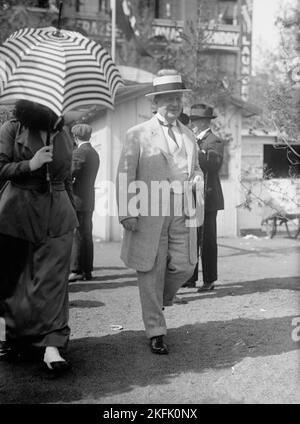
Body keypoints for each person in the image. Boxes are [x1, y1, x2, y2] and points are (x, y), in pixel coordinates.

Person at [116, 70, 204, 354]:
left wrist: (198, 181)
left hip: (183, 209)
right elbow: (125, 174)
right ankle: (156, 330)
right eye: (167, 99)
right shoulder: (137, 134)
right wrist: (127, 211)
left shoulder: (189, 135)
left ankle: (159, 298)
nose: (173, 104)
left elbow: (198, 169)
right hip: (149, 210)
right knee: (150, 268)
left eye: (177, 98)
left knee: (186, 264)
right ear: (155, 103)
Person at [0, 100, 78, 374]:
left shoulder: (64, 132)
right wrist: (30, 164)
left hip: (58, 215)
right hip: (17, 213)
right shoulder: (11, 128)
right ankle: (17, 338)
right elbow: (1, 168)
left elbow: (67, 177)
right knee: (19, 282)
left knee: (54, 282)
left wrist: (72, 210)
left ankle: (52, 347)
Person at [183, 103, 224, 291]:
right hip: (194, 197)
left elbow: (213, 164)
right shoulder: (194, 139)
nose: (192, 124)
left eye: (195, 120)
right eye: (192, 120)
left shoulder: (214, 141)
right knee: (192, 239)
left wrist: (196, 151)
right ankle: (190, 279)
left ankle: (209, 280)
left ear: (205, 121)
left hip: (208, 199)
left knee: (207, 241)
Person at [68, 124, 100, 282]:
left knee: (78, 234)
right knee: (86, 235)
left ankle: (76, 269)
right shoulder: (93, 152)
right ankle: (87, 270)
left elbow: (70, 173)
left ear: (75, 137)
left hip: (77, 199)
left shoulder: (79, 152)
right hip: (88, 199)